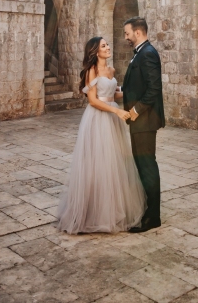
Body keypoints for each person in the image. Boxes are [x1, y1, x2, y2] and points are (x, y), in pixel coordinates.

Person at [57, 36, 146, 234]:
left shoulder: (112, 70)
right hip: (99, 117)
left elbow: (112, 94)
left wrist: (133, 92)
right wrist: (117, 111)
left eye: (107, 45)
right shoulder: (92, 71)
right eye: (103, 46)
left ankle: (113, 210)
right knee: (97, 162)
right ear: (95, 52)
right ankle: (92, 212)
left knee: (113, 162)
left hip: (112, 117)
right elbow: (93, 101)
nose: (107, 47)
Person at [122, 16, 165, 232]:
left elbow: (153, 89)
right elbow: (137, 86)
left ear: (138, 33)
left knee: (147, 166)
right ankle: (149, 209)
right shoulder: (141, 53)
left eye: (127, 33)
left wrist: (135, 111)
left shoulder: (148, 54)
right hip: (138, 122)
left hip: (145, 121)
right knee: (143, 165)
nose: (126, 37)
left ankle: (153, 217)